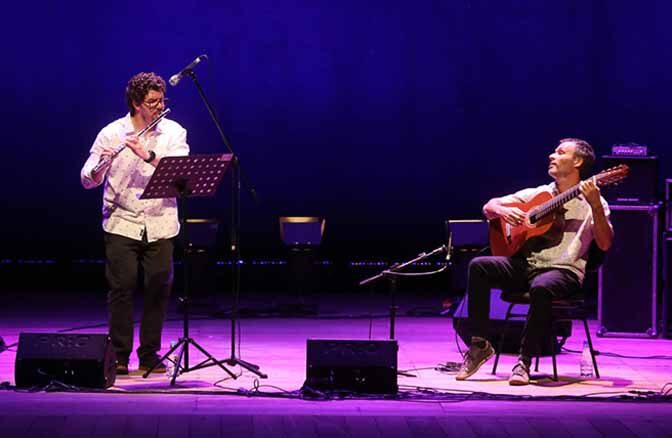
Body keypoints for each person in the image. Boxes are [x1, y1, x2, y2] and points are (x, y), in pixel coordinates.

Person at [456, 138, 613, 385]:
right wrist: (503, 211)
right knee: (479, 266)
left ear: (578, 162)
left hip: (564, 270)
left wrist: (594, 205)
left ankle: (523, 363)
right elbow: (489, 207)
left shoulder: (595, 202)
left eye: (560, 152)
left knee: (542, 286)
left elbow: (604, 244)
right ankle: (479, 346)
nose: (551, 155)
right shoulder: (538, 194)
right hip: (528, 266)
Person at [80, 72, 189, 375]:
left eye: (161, 100)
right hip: (122, 221)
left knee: (158, 288)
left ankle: (150, 353)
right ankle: (119, 355)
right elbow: (86, 178)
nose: (159, 106)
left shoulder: (174, 132)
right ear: (135, 103)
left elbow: (180, 174)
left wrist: (149, 155)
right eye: (152, 102)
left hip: (161, 221)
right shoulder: (111, 133)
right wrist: (99, 169)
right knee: (121, 288)